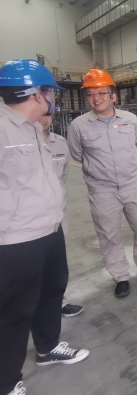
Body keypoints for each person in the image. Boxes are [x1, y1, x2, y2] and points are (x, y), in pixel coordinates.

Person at [0, 59, 89, 395]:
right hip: (16, 240)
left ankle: (48, 347)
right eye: (51, 91)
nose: (54, 98)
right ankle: (6, 381)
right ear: (38, 94)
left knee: (52, 291)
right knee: (15, 310)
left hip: (50, 230)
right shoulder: (3, 128)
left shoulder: (33, 128)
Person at [67, 69, 137, 299]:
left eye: (101, 93)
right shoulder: (78, 126)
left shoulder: (130, 120)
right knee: (108, 235)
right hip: (102, 191)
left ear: (113, 96)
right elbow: (77, 155)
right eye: (90, 94)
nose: (96, 98)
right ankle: (120, 276)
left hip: (133, 185)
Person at [39, 113, 84, 318]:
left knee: (56, 262)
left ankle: (59, 302)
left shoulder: (60, 143)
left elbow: (62, 176)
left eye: (47, 113)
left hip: (57, 214)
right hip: (25, 218)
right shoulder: (17, 142)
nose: (42, 118)